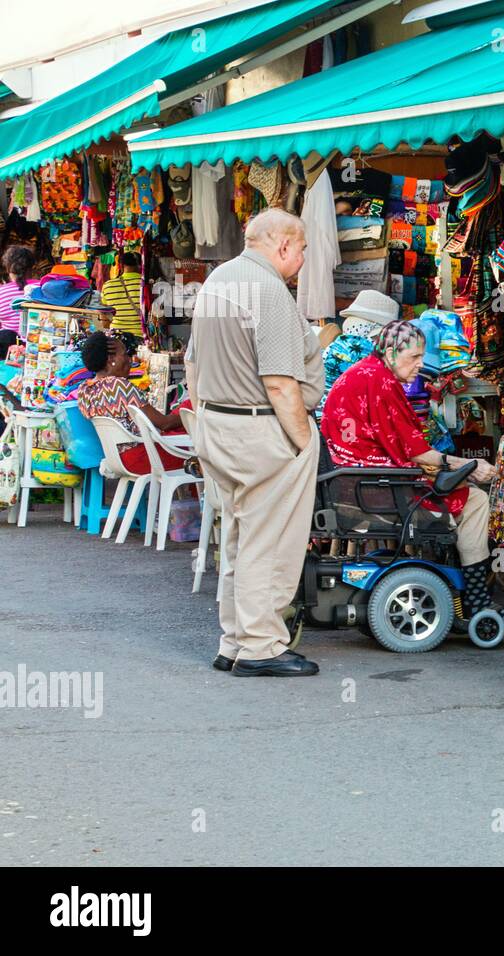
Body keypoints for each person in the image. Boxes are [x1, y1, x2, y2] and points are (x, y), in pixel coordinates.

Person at [320, 319, 504, 633]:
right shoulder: (382, 383)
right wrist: (467, 466)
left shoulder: (364, 373)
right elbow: (419, 454)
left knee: (458, 488)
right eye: (414, 357)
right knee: (474, 500)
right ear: (391, 352)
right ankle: (476, 601)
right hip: (378, 491)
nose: (420, 365)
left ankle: (463, 595)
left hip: (356, 483)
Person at [186, 208, 324, 677]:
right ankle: (262, 646)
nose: (303, 259)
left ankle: (235, 641)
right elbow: (282, 384)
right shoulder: (270, 291)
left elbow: (191, 365)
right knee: (270, 542)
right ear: (283, 245)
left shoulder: (218, 280)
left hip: (216, 423)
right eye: (303, 249)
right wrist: (305, 442)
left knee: (239, 539)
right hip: (261, 428)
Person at [77, 331, 186, 474]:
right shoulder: (118, 385)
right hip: (142, 457)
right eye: (125, 354)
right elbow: (164, 423)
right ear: (111, 360)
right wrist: (191, 413)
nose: (130, 360)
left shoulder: (84, 390)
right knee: (203, 451)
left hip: (116, 459)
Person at [0, 246, 34, 358]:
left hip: (8, 353)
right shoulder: (42, 288)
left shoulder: (1, 292)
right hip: (38, 350)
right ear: (32, 267)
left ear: (8, 268)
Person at [101, 252, 145, 337]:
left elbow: (104, 319)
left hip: (116, 336)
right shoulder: (146, 286)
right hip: (142, 336)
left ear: (121, 265)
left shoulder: (107, 285)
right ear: (142, 265)